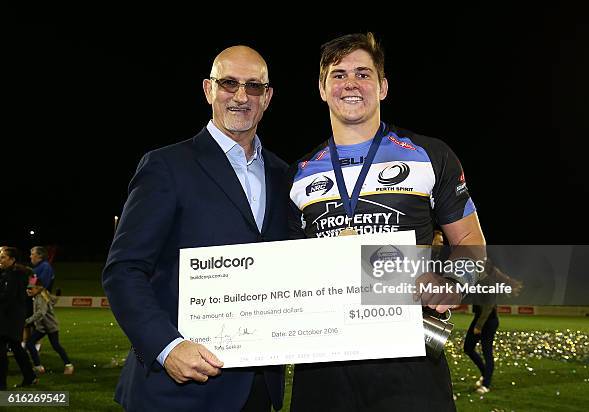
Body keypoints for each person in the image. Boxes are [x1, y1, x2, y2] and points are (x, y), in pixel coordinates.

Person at [288, 33, 486, 411]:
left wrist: (454, 284)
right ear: (321, 87)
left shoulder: (430, 155)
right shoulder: (298, 174)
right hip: (323, 365)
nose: (350, 83)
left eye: (363, 74)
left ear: (382, 87)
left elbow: (470, 240)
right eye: (338, 74)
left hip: (409, 361)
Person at [102, 45, 288, 412]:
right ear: (208, 90)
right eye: (229, 83)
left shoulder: (285, 176)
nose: (240, 96)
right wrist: (166, 347)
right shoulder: (166, 166)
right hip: (176, 391)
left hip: (257, 391)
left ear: (267, 97)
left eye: (253, 86)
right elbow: (123, 270)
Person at [0, 247, 37, 389]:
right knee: (16, 347)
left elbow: (8, 298)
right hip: (12, 317)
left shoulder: (14, 276)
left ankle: (2, 385)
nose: (0, 260)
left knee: (2, 351)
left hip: (8, 318)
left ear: (12, 259)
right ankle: (30, 376)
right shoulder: (9, 274)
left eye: (3, 257)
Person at [24, 277, 74, 375]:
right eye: (27, 288)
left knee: (55, 346)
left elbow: (41, 312)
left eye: (31, 288)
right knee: (31, 344)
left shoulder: (41, 297)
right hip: (43, 326)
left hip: (49, 326)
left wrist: (27, 321)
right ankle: (39, 366)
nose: (28, 290)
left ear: (38, 288)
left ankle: (68, 365)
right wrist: (58, 295)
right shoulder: (43, 294)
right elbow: (53, 300)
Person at [463, 304, 498, 394]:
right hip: (479, 317)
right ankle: (485, 374)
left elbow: (488, 307)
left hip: (488, 320)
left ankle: (486, 384)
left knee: (487, 352)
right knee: (468, 348)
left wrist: (479, 325)